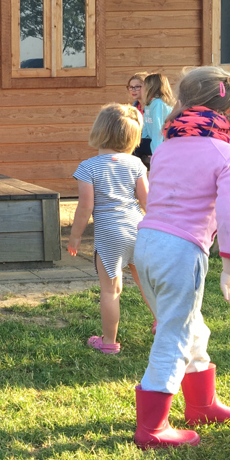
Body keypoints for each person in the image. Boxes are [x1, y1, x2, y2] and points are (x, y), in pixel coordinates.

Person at [132, 66, 230, 449]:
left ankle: (202, 404)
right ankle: (152, 428)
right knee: (175, 334)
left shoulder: (166, 146)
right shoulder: (229, 155)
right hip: (182, 251)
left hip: (146, 243)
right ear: (227, 111)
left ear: (182, 104)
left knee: (192, 326)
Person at [67, 104, 153, 354]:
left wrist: (75, 237)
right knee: (148, 284)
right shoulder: (137, 164)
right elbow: (147, 201)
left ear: (99, 130)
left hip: (109, 235)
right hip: (138, 228)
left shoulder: (88, 167)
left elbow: (85, 207)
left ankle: (109, 343)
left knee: (111, 290)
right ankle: (162, 324)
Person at [142, 73, 175, 155]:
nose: (142, 88)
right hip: (152, 140)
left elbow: (158, 129)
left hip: (162, 143)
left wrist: (156, 154)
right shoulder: (149, 104)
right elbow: (146, 126)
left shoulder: (158, 104)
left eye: (143, 85)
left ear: (150, 87)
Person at [127, 72, 152, 165]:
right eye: (131, 87)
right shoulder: (134, 107)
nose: (133, 90)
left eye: (137, 87)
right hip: (137, 140)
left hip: (151, 141)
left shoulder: (153, 105)